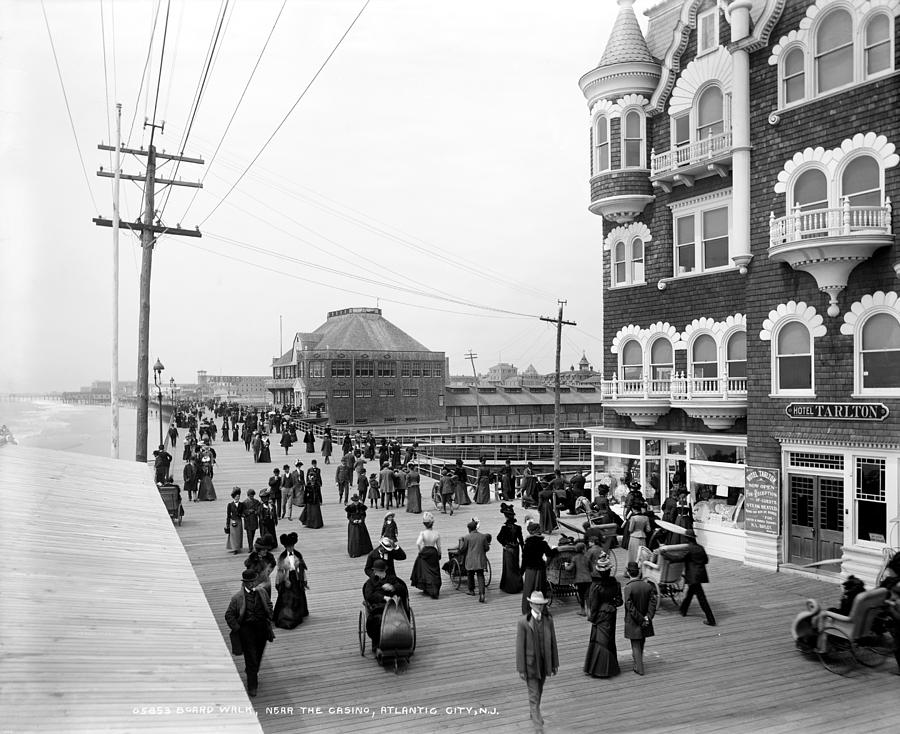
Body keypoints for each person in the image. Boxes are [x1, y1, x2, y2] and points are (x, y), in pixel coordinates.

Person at [225, 568, 274, 697]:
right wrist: (237, 628)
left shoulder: (262, 592)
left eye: (252, 581)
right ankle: (252, 685)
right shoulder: (237, 598)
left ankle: (251, 671)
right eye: (248, 582)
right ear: (244, 582)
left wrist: (269, 615)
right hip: (247, 631)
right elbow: (229, 615)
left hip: (262, 629)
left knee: (258, 655)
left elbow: (269, 605)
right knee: (251, 657)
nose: (251, 584)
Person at [516, 591, 558, 733]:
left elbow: (553, 642)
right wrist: (521, 669)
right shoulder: (523, 622)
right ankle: (538, 726)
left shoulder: (548, 620)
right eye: (536, 604)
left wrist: (554, 663)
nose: (539, 607)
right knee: (533, 694)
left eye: (541, 605)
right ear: (531, 604)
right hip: (530, 665)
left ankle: (534, 711)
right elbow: (519, 647)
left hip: (544, 663)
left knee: (539, 691)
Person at [583, 553, 622, 678]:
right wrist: (612, 604)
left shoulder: (596, 586)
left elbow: (594, 605)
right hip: (611, 613)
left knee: (600, 640)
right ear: (609, 570)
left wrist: (592, 618)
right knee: (609, 639)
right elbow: (619, 601)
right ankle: (610, 666)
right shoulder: (615, 583)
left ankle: (600, 668)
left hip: (600, 614)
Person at [362, 559, 409, 652]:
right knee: (377, 621)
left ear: (385, 570)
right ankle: (377, 643)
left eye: (382, 571)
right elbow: (369, 595)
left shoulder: (392, 579)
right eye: (379, 571)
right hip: (378, 607)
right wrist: (383, 597)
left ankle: (401, 639)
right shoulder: (370, 582)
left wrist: (392, 587)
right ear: (375, 571)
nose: (381, 573)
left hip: (394, 606)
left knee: (399, 620)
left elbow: (403, 589)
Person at [672, 529, 717, 626]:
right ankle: (683, 610)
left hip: (693, 576)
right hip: (700, 574)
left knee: (702, 598)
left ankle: (711, 619)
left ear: (687, 539)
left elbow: (679, 558)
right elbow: (706, 560)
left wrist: (665, 554)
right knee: (690, 593)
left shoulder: (688, 549)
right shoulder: (700, 548)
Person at [622, 560, 658, 675]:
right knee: (642, 641)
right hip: (646, 619)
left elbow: (629, 607)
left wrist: (640, 619)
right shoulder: (647, 585)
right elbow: (653, 602)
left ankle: (639, 667)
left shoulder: (628, 587)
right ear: (638, 572)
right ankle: (638, 662)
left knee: (635, 644)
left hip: (634, 621)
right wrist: (648, 617)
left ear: (628, 573)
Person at [273, 532, 309, 629]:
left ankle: (300, 612)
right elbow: (280, 571)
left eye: (292, 546)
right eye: (288, 546)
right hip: (286, 578)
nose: (290, 548)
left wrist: (304, 579)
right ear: (285, 547)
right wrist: (279, 581)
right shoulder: (282, 557)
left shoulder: (298, 554)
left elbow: (302, 569)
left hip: (296, 577)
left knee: (298, 594)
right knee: (287, 598)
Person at [521, 522, 555, 614]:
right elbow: (550, 554)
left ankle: (527, 610)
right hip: (540, 568)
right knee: (540, 589)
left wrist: (521, 571)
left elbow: (524, 558)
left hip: (530, 569)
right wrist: (555, 550)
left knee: (528, 589)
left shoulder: (527, 543)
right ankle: (540, 610)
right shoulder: (542, 543)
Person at [458, 518, 491, 603]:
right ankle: (482, 594)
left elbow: (463, 549)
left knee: (470, 574)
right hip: (480, 560)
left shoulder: (467, 537)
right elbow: (487, 548)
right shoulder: (483, 536)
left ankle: (471, 590)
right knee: (480, 575)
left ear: (469, 529)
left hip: (470, 560)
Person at [410, 511, 442, 599]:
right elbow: (439, 546)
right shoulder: (436, 533)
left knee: (424, 571)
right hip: (433, 551)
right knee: (434, 571)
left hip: (425, 551)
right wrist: (439, 553)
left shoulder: (423, 533)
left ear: (425, 524)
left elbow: (418, 543)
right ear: (432, 524)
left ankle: (427, 588)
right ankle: (434, 589)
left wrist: (420, 551)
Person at [497, 504, 524, 594]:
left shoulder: (504, 528)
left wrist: (504, 544)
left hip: (508, 549)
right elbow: (521, 540)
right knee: (515, 566)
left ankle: (509, 586)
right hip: (516, 548)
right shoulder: (518, 528)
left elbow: (499, 538)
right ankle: (518, 585)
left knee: (508, 567)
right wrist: (523, 550)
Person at [573, 542, 593, 617]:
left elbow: (570, 568)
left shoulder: (574, 558)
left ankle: (582, 610)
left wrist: (566, 566)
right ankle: (589, 611)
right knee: (587, 595)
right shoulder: (587, 558)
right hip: (588, 579)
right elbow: (591, 569)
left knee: (581, 595)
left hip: (579, 580)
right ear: (583, 550)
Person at [226, 487, 245, 554]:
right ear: (234, 497)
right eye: (237, 496)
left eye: (239, 496)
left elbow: (243, 512)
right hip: (233, 520)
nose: (238, 498)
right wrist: (227, 524)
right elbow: (228, 515)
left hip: (239, 521)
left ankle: (238, 547)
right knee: (233, 535)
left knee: (238, 535)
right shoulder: (230, 505)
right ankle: (234, 548)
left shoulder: (241, 504)